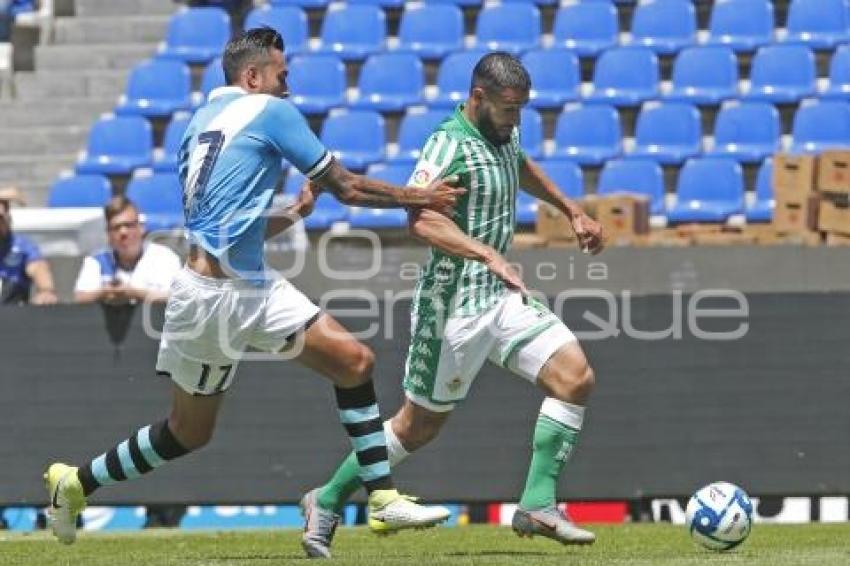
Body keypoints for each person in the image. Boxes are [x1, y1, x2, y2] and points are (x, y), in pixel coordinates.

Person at [44, 27, 463, 548]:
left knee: (354, 362)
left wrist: (292, 213)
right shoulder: (270, 111)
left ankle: (380, 498)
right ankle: (74, 484)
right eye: (281, 75)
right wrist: (418, 197)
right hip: (211, 300)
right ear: (253, 76)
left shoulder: (199, 124)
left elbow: (228, 226)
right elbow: (349, 186)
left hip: (249, 285)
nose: (287, 85)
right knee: (187, 432)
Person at [301, 52, 606, 558]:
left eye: (521, 111)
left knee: (575, 376)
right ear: (479, 98)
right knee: (415, 428)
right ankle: (327, 497)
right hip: (452, 306)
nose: (516, 120)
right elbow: (418, 219)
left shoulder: (503, 133)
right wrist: (486, 252)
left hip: (500, 295)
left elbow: (519, 165)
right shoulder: (447, 143)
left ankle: (537, 504)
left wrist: (571, 209)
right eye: (509, 110)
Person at [74, 196, 181, 306]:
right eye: (116, 227)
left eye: (129, 225)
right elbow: (80, 298)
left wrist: (134, 293)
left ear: (141, 228)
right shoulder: (96, 260)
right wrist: (104, 292)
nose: (123, 232)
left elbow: (177, 298)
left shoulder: (164, 258)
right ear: (108, 234)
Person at [0, 187, 57, 305]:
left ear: (8, 218)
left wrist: (46, 291)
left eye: (1, 218)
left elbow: (38, 268)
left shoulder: (22, 246)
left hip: (11, 312)